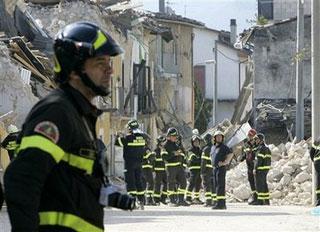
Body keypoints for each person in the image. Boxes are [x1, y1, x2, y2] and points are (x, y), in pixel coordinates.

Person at [4, 21, 133, 232]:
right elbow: (20, 179)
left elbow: (68, 181)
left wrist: (106, 194)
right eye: (100, 63)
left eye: (110, 62)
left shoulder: (79, 114)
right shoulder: (57, 111)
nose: (110, 70)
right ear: (74, 70)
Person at [115, 119, 146, 209]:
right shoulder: (142, 137)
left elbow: (117, 143)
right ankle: (141, 201)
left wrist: (119, 135)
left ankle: (132, 202)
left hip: (129, 164)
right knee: (138, 181)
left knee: (130, 182)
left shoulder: (127, 138)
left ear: (130, 129)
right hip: (139, 163)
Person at [162, 128, 189, 207]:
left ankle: (180, 200)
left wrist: (180, 154)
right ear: (169, 136)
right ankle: (171, 200)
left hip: (179, 167)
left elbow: (182, 154)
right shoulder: (165, 145)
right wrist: (174, 154)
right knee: (171, 183)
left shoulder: (176, 145)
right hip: (171, 167)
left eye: (175, 136)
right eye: (173, 136)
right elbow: (164, 157)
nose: (175, 137)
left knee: (183, 182)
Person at [211, 131, 233, 210]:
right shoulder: (213, 147)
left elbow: (231, 154)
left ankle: (221, 204)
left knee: (220, 186)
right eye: (217, 137)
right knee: (216, 186)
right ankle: (218, 202)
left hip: (221, 169)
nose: (219, 138)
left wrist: (225, 162)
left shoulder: (223, 147)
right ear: (214, 138)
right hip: (214, 169)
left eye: (220, 137)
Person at [239, 128, 258, 204]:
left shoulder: (256, 144)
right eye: (249, 135)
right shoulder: (246, 144)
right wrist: (241, 158)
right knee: (251, 181)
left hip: (255, 166)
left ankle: (258, 197)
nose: (250, 137)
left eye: (251, 136)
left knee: (256, 182)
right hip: (249, 166)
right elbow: (244, 154)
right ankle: (254, 196)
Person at [252, 133, 271, 206]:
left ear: (261, 140)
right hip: (265, 169)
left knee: (259, 185)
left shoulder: (260, 149)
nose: (255, 141)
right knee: (264, 185)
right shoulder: (266, 148)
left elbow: (258, 160)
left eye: (256, 139)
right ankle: (266, 200)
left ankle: (260, 201)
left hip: (260, 169)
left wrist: (255, 168)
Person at [186, 135, 202, 204]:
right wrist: (200, 159)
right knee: (191, 183)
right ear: (192, 142)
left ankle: (196, 198)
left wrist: (200, 159)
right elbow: (193, 159)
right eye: (195, 141)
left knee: (198, 184)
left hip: (199, 170)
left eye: (198, 141)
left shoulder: (200, 150)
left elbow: (202, 159)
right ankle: (188, 198)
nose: (196, 142)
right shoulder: (190, 150)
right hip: (193, 170)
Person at [153, 135, 168, 205]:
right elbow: (153, 161)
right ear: (159, 142)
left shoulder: (164, 150)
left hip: (164, 170)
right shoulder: (156, 151)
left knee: (166, 183)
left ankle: (163, 198)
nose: (164, 143)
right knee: (157, 185)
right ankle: (156, 199)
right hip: (157, 170)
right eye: (162, 142)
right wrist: (153, 170)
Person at [201, 133, 214, 207]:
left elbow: (203, 161)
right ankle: (214, 200)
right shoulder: (214, 148)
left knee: (206, 185)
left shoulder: (205, 149)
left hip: (207, 170)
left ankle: (208, 201)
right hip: (213, 169)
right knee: (213, 185)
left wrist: (202, 172)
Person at [310, 137, 320, 207]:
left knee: (319, 180)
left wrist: (314, 160)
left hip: (317, 161)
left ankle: (318, 201)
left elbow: (311, 151)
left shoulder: (318, 139)